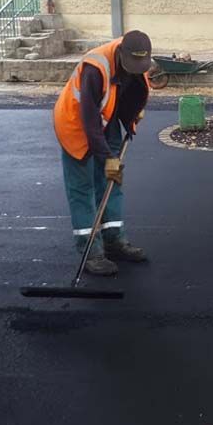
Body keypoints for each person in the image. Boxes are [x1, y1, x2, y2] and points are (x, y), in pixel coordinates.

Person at [53, 30, 152, 276]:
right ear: (120, 55)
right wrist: (106, 156)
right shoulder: (94, 69)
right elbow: (88, 119)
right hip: (76, 126)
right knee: (84, 188)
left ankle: (114, 241)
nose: (134, 70)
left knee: (112, 181)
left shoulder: (138, 58)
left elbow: (127, 94)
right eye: (130, 66)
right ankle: (91, 252)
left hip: (107, 121)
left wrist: (131, 119)